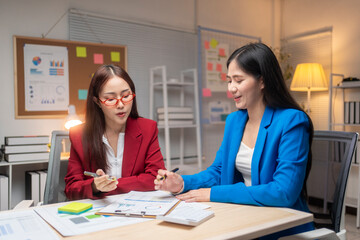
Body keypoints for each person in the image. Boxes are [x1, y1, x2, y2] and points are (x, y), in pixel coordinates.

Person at [154, 42, 314, 238]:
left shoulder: (291, 121)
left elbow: (283, 191)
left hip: (281, 227)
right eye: (229, 80)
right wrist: (181, 183)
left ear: (262, 81)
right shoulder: (234, 121)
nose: (231, 88)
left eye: (238, 80)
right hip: (246, 216)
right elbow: (218, 171)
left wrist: (212, 194)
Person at [65, 64, 165, 200]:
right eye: (111, 99)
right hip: (99, 213)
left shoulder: (147, 128)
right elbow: (71, 189)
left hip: (138, 208)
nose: (121, 105)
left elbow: (155, 178)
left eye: (126, 96)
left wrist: (110, 186)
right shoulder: (79, 135)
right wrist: (95, 186)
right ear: (97, 102)